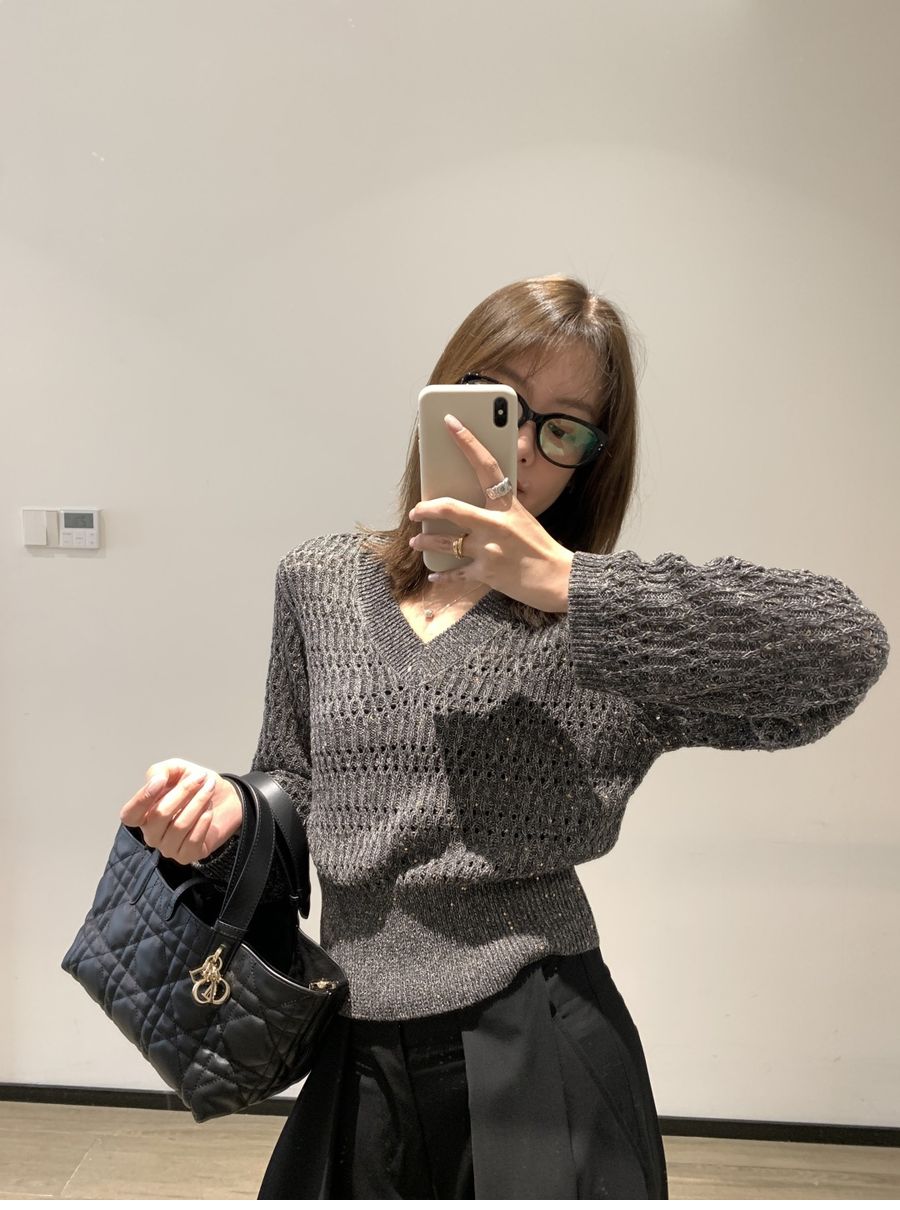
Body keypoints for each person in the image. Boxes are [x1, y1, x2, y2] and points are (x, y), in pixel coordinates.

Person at [118, 273, 890, 1199]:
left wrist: (572, 586)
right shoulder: (321, 582)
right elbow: (295, 779)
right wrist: (229, 817)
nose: (521, 446)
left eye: (563, 428)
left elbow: (846, 645)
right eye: (498, 402)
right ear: (442, 393)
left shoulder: (602, 626)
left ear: (590, 459)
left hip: (542, 1039)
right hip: (354, 1043)